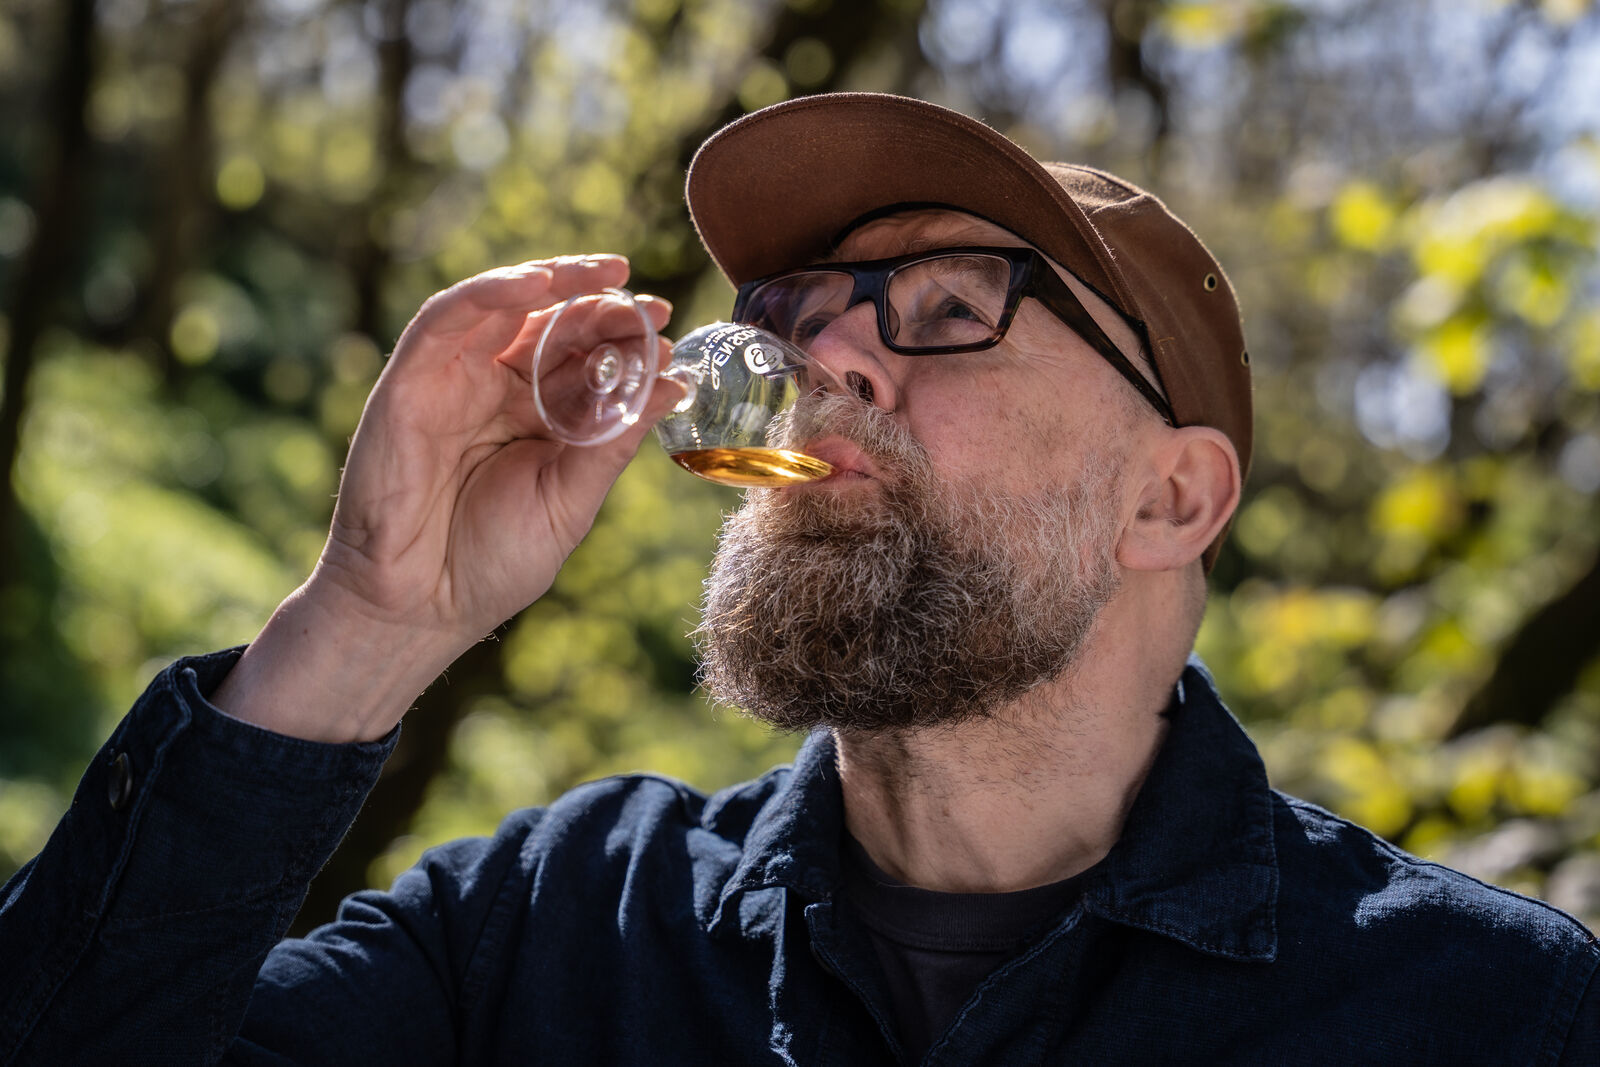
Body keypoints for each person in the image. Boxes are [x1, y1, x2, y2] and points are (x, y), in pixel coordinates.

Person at [1, 93, 1594, 1065]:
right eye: (800, 301)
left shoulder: (1486, 1016)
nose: (824, 351)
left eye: (953, 301)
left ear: (1170, 497)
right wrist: (367, 622)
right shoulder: (549, 931)